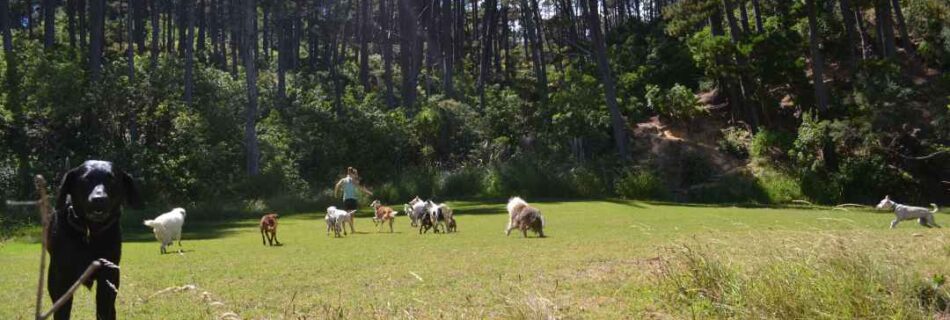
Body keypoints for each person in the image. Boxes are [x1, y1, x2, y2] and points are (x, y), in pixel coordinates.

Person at [334, 167, 372, 233]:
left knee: (345, 214)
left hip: (346, 199)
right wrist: (368, 192)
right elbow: (360, 188)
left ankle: (345, 230)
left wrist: (335, 193)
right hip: (352, 199)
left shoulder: (343, 180)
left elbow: (337, 185)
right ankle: (352, 230)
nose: (356, 175)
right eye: (354, 173)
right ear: (351, 173)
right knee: (351, 215)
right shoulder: (354, 181)